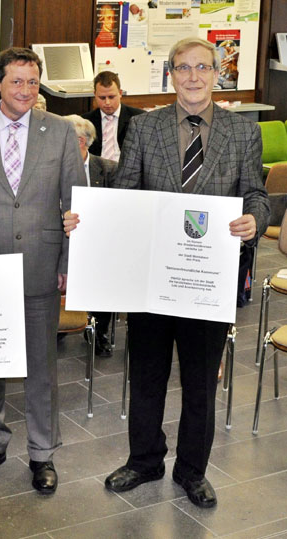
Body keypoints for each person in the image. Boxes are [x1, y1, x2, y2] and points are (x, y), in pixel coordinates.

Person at [65, 37, 270, 508]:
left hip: (207, 280)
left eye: (203, 67)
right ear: (170, 75)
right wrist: (89, 220)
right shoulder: (145, 127)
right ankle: (144, 460)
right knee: (148, 375)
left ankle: (193, 470)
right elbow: (124, 193)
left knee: (200, 381)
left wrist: (255, 219)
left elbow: (255, 192)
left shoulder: (242, 132)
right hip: (151, 279)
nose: (194, 76)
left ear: (217, 73)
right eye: (184, 68)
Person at [0, 47, 85, 495]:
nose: (26, 90)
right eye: (17, 81)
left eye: (32, 81)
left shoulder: (61, 132)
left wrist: (68, 262)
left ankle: (43, 453)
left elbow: (78, 205)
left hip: (43, 266)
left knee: (42, 367)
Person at [64, 114, 117, 356]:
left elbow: (118, 206)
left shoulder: (107, 169)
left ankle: (99, 331)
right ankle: (61, 325)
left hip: (98, 240)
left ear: (82, 141)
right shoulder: (51, 168)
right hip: (63, 237)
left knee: (105, 276)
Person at [82, 71, 144, 161]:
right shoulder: (85, 121)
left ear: (120, 93)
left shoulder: (138, 118)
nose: (107, 102)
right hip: (96, 171)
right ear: (95, 95)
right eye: (102, 98)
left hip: (127, 171)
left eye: (111, 97)